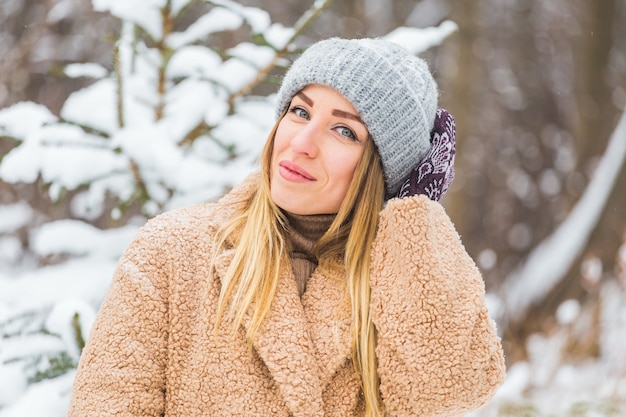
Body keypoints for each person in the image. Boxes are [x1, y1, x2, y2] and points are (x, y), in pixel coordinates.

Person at [68, 37, 506, 417]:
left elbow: (447, 391)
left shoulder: (394, 282)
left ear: (383, 170)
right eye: (299, 112)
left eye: (343, 131)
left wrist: (414, 211)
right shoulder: (172, 252)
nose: (301, 143)